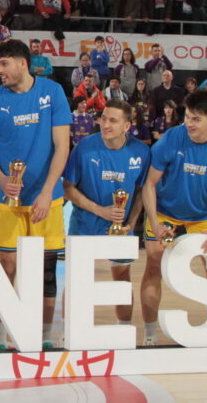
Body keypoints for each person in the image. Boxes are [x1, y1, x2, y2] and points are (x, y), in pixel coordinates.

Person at [0, 38, 71, 349]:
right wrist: (2, 179)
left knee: (46, 270)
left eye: (4, 64)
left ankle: (44, 339)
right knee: (5, 267)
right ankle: (1, 338)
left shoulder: (52, 92)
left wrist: (47, 192)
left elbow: (63, 147)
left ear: (23, 63)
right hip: (10, 200)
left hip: (47, 198)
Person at [141, 90, 207, 346]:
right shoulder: (171, 138)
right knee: (153, 268)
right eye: (187, 116)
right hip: (166, 213)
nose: (189, 123)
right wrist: (154, 222)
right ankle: (149, 333)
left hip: (204, 216)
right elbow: (149, 185)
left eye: (196, 119)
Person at [63, 100, 150, 329]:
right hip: (84, 224)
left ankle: (124, 331)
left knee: (122, 278)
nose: (105, 124)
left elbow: (142, 190)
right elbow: (68, 188)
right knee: (76, 281)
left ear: (127, 126)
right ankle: (68, 332)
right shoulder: (84, 147)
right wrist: (100, 210)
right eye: (103, 118)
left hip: (119, 229)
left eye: (113, 120)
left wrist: (131, 221)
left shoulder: (141, 152)